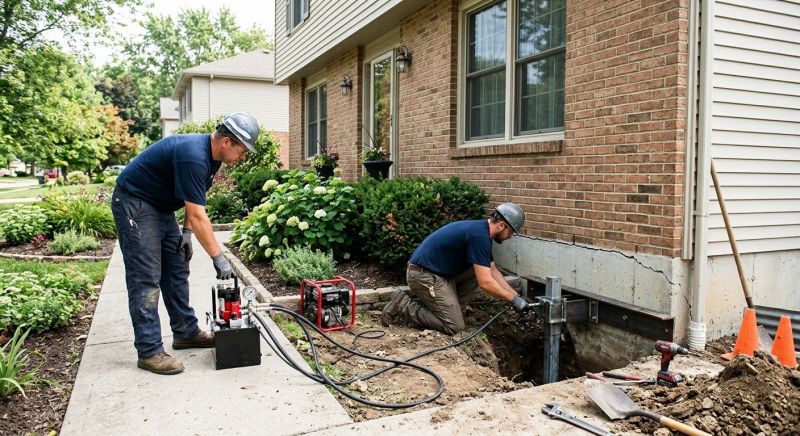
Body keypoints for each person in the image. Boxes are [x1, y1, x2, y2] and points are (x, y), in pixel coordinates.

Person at [111, 112, 259, 375]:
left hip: (161, 208)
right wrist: (219, 258)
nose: (243, 156)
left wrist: (187, 233)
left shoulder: (212, 160)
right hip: (135, 203)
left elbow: (194, 205)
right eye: (243, 150)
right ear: (226, 141)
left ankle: (185, 331)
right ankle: (149, 351)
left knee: (177, 266)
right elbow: (200, 215)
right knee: (146, 277)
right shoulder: (194, 155)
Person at [381, 203, 532, 335]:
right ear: (501, 225)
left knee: (479, 269)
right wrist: (512, 300)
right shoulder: (479, 236)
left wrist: (516, 295)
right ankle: (403, 305)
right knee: (454, 326)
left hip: (438, 274)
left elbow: (492, 271)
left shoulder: (481, 232)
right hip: (423, 276)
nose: (510, 236)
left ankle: (453, 312)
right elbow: (486, 283)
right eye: (511, 232)